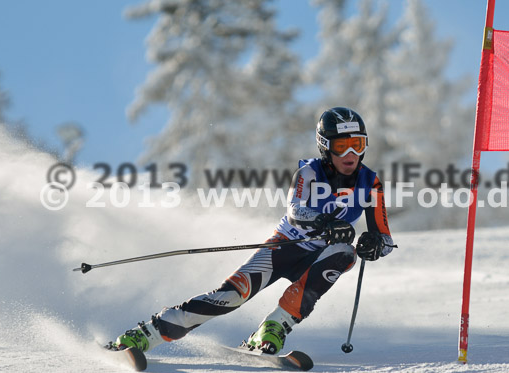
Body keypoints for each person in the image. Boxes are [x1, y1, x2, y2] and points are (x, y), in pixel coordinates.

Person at [109, 107, 394, 355]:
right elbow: (295, 211)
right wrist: (325, 223)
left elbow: (385, 238)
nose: (351, 153)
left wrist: (374, 244)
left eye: (357, 144)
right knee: (231, 296)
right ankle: (148, 333)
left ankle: (274, 326)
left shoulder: (371, 183)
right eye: (342, 145)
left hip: (320, 258)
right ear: (325, 146)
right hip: (283, 247)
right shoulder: (309, 173)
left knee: (345, 253)